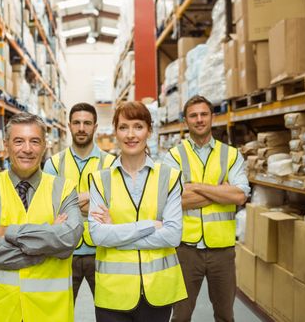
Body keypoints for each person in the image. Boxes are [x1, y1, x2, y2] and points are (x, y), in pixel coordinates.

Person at [0, 112, 83, 322]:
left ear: (44, 145)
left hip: (48, 313)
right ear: (6, 145)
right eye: (19, 141)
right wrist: (47, 248)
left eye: (34, 141)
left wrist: (8, 232)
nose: (27, 149)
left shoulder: (64, 189)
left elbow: (69, 238)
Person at [88, 101, 188, 322]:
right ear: (115, 132)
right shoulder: (100, 180)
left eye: (138, 126)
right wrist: (150, 225)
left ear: (149, 131)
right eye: (123, 127)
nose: (131, 134)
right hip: (113, 293)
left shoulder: (169, 177)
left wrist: (115, 231)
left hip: (158, 290)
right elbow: (98, 235)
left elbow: (173, 235)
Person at [163, 95, 250, 322]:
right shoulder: (174, 156)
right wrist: (221, 192)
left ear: (213, 117)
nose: (199, 119)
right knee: (180, 316)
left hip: (222, 250)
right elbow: (171, 199)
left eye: (204, 114)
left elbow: (240, 195)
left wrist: (195, 187)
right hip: (185, 250)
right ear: (185, 120)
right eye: (193, 115)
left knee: (225, 315)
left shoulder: (230, 155)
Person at [44, 102, 116, 300]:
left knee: (108, 311)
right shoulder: (53, 164)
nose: (82, 128)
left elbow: (115, 208)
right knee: (61, 311)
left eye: (87, 123)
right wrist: (94, 199)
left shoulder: (111, 164)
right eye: (76, 123)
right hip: (66, 251)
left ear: (95, 127)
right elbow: (50, 207)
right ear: (69, 126)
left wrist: (69, 202)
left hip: (101, 251)